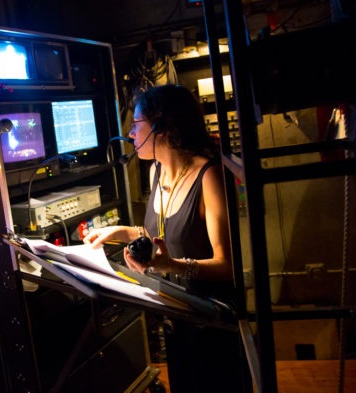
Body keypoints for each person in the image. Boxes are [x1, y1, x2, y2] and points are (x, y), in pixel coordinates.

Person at [83, 84, 251, 393]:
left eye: (136, 124)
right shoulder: (156, 173)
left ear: (161, 127)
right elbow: (164, 237)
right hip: (177, 320)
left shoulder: (211, 176)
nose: (131, 134)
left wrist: (171, 265)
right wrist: (120, 232)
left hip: (212, 326)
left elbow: (227, 265)